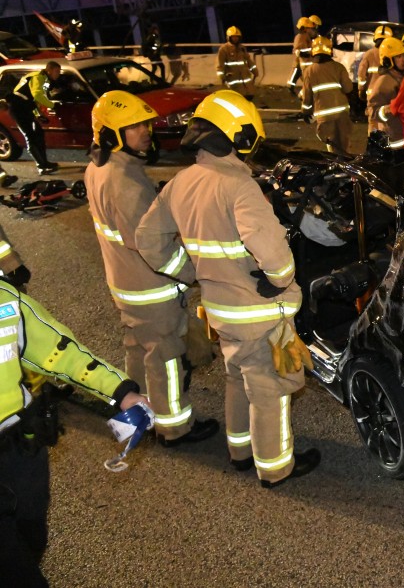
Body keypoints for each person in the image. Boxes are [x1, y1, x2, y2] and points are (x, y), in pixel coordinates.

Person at [136, 90, 319, 488]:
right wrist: (281, 279)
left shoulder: (180, 183)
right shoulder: (239, 187)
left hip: (219, 308)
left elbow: (148, 239)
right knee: (270, 387)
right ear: (238, 135)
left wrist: (189, 273)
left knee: (237, 376)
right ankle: (275, 468)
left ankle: (240, 450)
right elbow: (273, 252)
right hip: (256, 311)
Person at [85, 90, 219, 447]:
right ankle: (175, 428)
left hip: (124, 283)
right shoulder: (125, 182)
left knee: (138, 349)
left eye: (147, 123)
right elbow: (151, 244)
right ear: (113, 134)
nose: (147, 130)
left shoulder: (98, 168)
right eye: (135, 126)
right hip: (150, 288)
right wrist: (193, 272)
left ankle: (139, 413)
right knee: (165, 358)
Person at [0, 268, 149, 585]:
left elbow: (59, 350)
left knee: (31, 534)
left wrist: (121, 392)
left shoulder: (5, 298)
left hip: (21, 448)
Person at [301, 35, 357, 155]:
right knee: (345, 147)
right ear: (330, 50)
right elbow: (348, 89)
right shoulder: (338, 67)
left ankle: (337, 171)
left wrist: (306, 112)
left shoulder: (309, 71)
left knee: (332, 150)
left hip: (324, 117)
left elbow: (307, 96)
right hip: (342, 114)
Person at [5, 62, 61, 175]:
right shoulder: (38, 77)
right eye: (56, 71)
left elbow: (36, 99)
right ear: (49, 70)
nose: (58, 74)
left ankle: (45, 162)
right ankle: (41, 166)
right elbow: (37, 95)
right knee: (30, 136)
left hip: (26, 107)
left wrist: (38, 114)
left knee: (39, 134)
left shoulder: (46, 80)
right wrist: (52, 105)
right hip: (18, 107)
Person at [366, 36, 404, 143]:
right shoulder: (383, 82)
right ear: (388, 60)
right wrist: (389, 109)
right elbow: (373, 112)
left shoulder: (403, 77)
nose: (403, 59)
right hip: (395, 139)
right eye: (399, 56)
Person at [216, 26, 258, 101]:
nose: (235, 39)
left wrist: (255, 71)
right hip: (233, 81)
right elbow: (220, 66)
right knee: (237, 100)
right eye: (233, 37)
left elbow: (248, 60)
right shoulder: (224, 49)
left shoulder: (242, 48)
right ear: (229, 38)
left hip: (246, 81)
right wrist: (222, 78)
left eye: (237, 37)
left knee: (249, 98)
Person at [357, 25, 392, 100]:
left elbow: (361, 74)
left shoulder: (369, 54)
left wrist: (361, 89)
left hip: (372, 95)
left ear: (375, 39)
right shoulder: (393, 54)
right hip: (389, 94)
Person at [287, 17, 317, 95]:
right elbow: (298, 51)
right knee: (308, 83)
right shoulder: (300, 37)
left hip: (308, 64)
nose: (312, 29)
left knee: (308, 83)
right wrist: (311, 52)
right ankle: (301, 95)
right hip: (305, 64)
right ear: (304, 28)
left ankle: (302, 94)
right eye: (309, 27)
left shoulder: (307, 36)